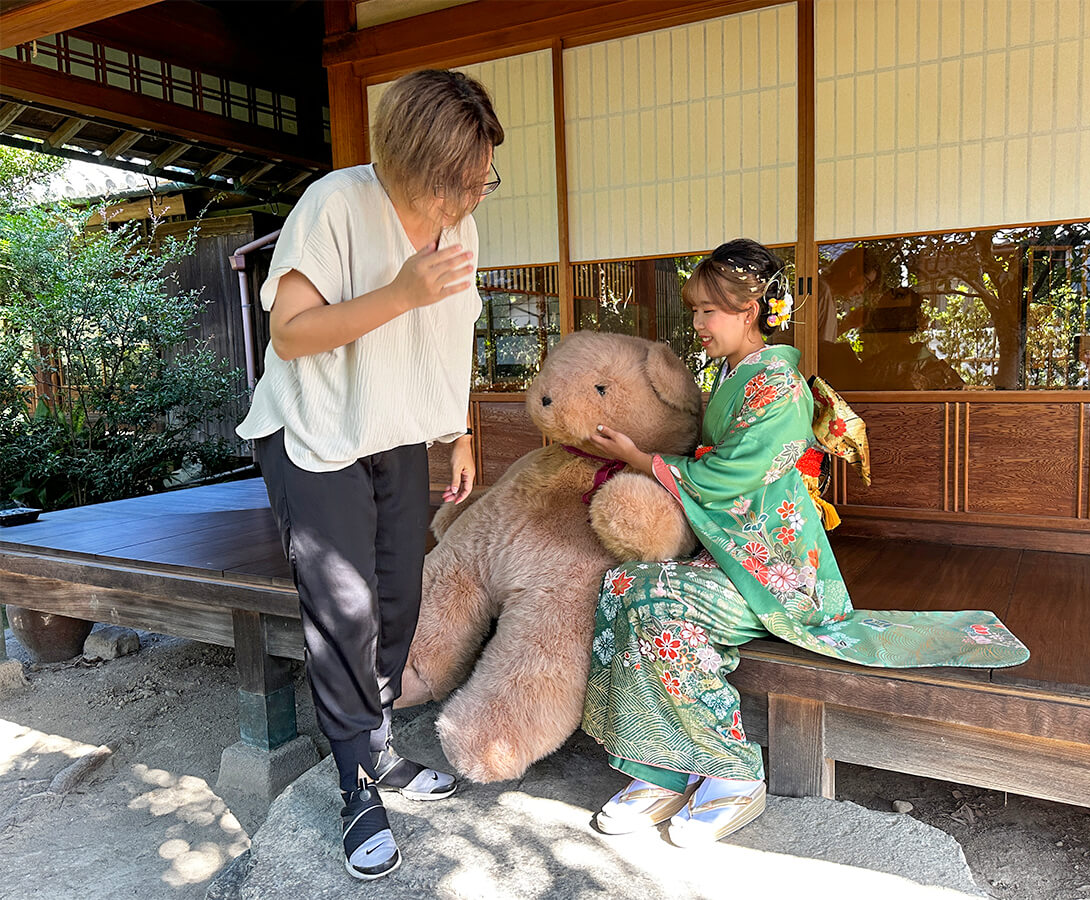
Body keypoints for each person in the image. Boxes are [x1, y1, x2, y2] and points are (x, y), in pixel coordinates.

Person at [583, 239, 1029, 846]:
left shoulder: (777, 385)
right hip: (740, 555)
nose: (697, 323)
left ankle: (733, 773)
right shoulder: (739, 376)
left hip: (778, 572)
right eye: (695, 311)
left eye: (707, 311)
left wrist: (641, 459)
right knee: (622, 583)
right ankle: (659, 766)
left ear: (750, 311)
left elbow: (732, 477)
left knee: (661, 604)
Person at [235, 69, 504, 881]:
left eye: (484, 173)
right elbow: (290, 333)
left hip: (390, 427)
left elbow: (449, 337)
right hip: (315, 427)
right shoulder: (335, 205)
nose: (477, 192)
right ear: (415, 162)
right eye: (465, 177)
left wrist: (457, 432)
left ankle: (377, 746)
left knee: (397, 594)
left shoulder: (458, 226)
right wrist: (397, 292)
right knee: (344, 607)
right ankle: (356, 781)